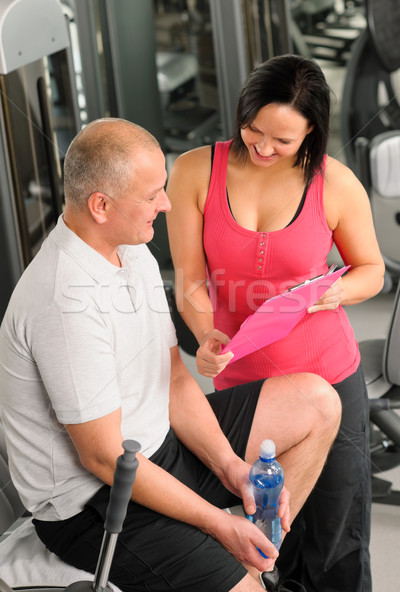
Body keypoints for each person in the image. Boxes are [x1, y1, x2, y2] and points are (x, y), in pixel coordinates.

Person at [0, 118, 341, 592]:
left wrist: (231, 468)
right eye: (152, 194)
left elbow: (174, 376)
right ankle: (242, 573)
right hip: (95, 503)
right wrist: (218, 525)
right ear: (101, 205)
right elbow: (103, 458)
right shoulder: (62, 301)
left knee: (318, 403)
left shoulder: (131, 248)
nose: (166, 203)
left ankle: (251, 563)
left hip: (159, 447)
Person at [166, 54, 385, 592]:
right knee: (259, 534)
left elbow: (372, 270)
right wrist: (205, 336)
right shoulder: (195, 170)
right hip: (247, 386)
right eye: (253, 129)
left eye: (282, 140)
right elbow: (190, 278)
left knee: (337, 540)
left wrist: (335, 290)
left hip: (328, 377)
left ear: (311, 132)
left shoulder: (335, 183)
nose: (262, 147)